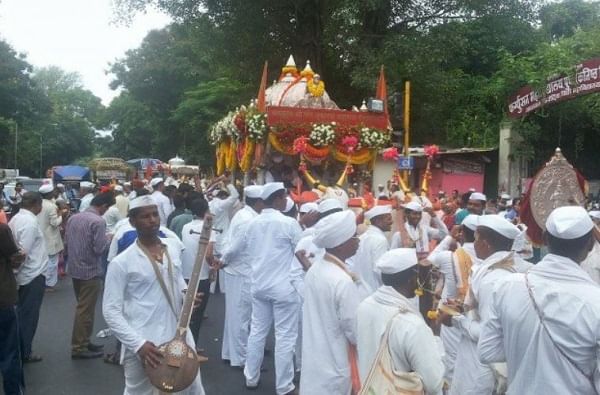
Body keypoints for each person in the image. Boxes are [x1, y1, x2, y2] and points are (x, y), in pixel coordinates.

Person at [479, 206, 600, 394]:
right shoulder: (596, 302)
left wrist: (524, 345)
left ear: (544, 239)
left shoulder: (506, 286)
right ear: (591, 245)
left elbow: (487, 351)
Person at [103, 196, 206, 395]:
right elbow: (110, 311)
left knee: (191, 388)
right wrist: (138, 344)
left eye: (155, 214)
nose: (152, 220)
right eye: (145, 216)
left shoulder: (172, 246)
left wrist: (186, 294)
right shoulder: (121, 263)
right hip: (145, 343)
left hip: (179, 336)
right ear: (133, 222)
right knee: (139, 392)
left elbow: (176, 278)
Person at [438, 214, 531, 395]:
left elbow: (489, 334)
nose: (473, 244)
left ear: (486, 243)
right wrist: (464, 309)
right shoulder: (518, 268)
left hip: (481, 368)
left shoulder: (493, 279)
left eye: (476, 239)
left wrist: (457, 319)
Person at [357, 248, 444, 394]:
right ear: (412, 278)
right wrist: (435, 335)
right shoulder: (411, 324)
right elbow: (434, 384)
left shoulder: (364, 306)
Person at [243, 182, 302, 394]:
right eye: (285, 197)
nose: (287, 200)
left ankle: (251, 377)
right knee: (285, 337)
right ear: (277, 199)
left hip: (259, 286)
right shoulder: (288, 224)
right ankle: (284, 386)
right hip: (284, 288)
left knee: (257, 332)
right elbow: (302, 252)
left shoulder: (252, 223)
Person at [300, 210, 361, 395]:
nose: (358, 240)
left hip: (315, 358)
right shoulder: (341, 280)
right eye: (354, 236)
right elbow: (354, 331)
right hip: (335, 362)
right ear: (341, 245)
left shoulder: (316, 268)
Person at [426, 214, 481, 385]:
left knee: (451, 359)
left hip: (450, 316)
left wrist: (450, 236)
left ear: (462, 232)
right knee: (475, 361)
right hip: (477, 318)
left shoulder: (449, 257)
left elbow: (429, 259)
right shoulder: (487, 258)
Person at [65, 191, 114, 359]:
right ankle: (79, 347)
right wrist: (109, 238)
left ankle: (85, 341)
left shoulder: (74, 217)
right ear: (104, 206)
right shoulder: (98, 221)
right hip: (90, 270)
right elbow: (99, 248)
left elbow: (67, 242)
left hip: (75, 268)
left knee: (84, 308)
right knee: (85, 310)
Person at [220, 185, 264, 368]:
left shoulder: (244, 214)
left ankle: (231, 353)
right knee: (241, 316)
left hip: (238, 270)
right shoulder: (248, 220)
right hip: (241, 272)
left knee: (235, 315)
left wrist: (224, 259)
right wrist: (223, 260)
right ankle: (242, 358)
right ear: (259, 202)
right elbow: (235, 247)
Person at [8, 192, 47, 363]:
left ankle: (19, 349)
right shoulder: (30, 222)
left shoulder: (16, 218)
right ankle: (24, 352)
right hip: (31, 275)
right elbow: (22, 253)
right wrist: (15, 274)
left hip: (25, 275)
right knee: (28, 317)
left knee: (22, 315)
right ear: (37, 204)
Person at [180, 198, 216, 349]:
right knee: (197, 313)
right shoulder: (208, 228)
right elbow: (209, 254)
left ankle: (182, 343)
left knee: (185, 311)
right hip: (201, 275)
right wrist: (213, 267)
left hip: (185, 274)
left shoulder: (185, 227)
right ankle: (192, 346)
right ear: (206, 210)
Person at [0, 224, 26, 394]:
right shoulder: (1, 230)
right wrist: (21, 254)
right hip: (3, 300)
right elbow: (16, 257)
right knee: (9, 353)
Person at [348, 205, 392, 295]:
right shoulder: (380, 240)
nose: (392, 222)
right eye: (388, 219)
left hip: (359, 291)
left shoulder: (363, 237)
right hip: (374, 292)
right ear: (378, 221)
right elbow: (380, 271)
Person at [38, 184, 65, 290]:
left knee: (43, 261)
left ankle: (43, 282)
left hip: (41, 236)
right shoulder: (51, 206)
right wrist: (61, 215)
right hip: (50, 238)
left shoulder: (39, 203)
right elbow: (55, 223)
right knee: (52, 262)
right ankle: (49, 284)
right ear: (50, 194)